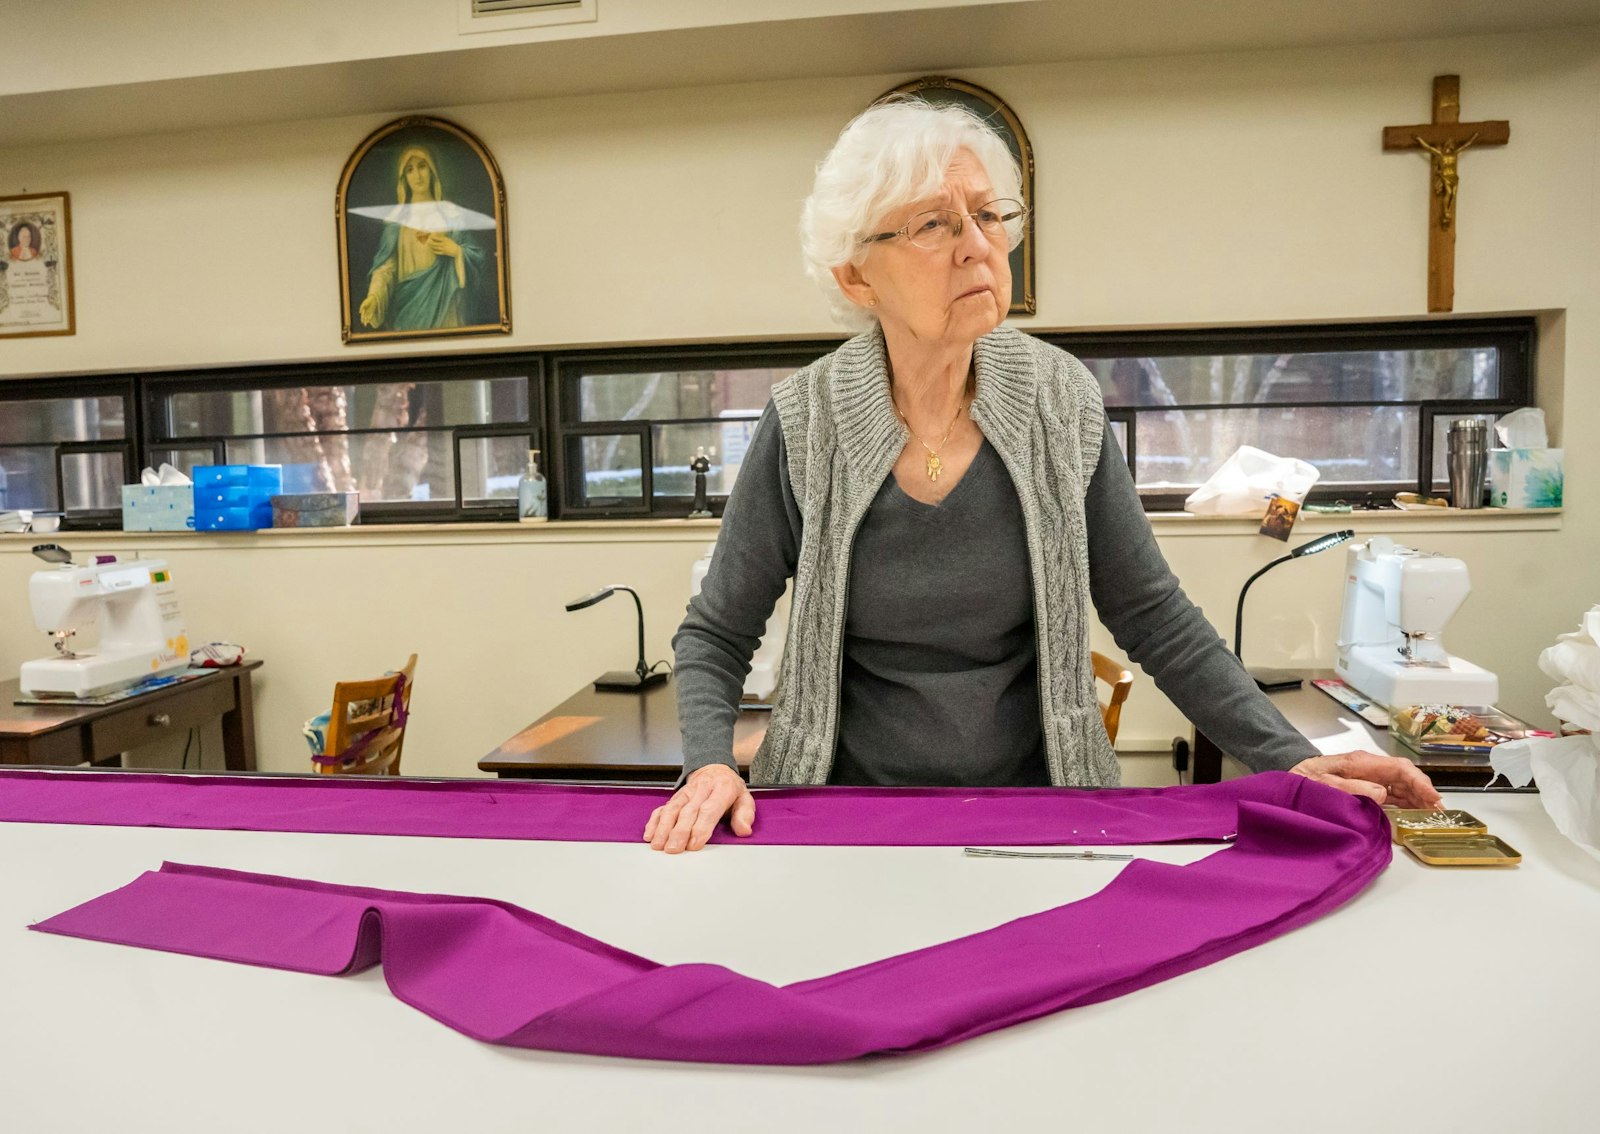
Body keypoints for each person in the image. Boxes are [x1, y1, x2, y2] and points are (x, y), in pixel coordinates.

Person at [645, 99, 1441, 853]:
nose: (977, 244)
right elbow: (716, 633)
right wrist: (709, 764)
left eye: (989, 215)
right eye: (934, 223)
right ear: (857, 276)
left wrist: (1288, 758)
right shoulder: (806, 421)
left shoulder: (1061, 401)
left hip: (1042, 812)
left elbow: (1153, 616)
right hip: (844, 817)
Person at [357, 145, 486, 331]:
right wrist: (374, 297)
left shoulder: (451, 215)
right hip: (409, 309)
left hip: (446, 308)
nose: (417, 176)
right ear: (404, 178)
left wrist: (457, 251)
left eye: (422, 166)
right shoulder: (397, 221)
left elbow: (478, 258)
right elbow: (386, 267)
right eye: (410, 170)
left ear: (432, 169)